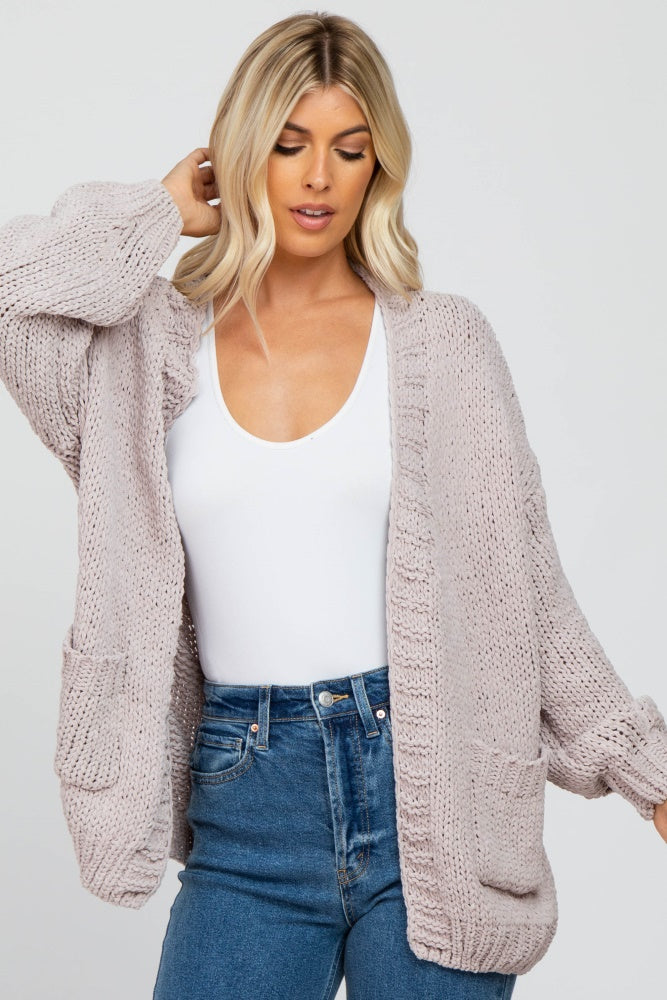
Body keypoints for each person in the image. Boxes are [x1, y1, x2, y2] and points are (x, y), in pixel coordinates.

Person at [1, 11, 666, 1000]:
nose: (318, 177)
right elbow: (12, 292)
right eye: (288, 144)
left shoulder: (441, 344)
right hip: (246, 812)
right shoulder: (142, 354)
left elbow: (523, 586)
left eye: (349, 150)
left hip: (432, 801)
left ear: (376, 166)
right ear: (240, 153)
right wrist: (154, 211)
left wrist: (645, 768)